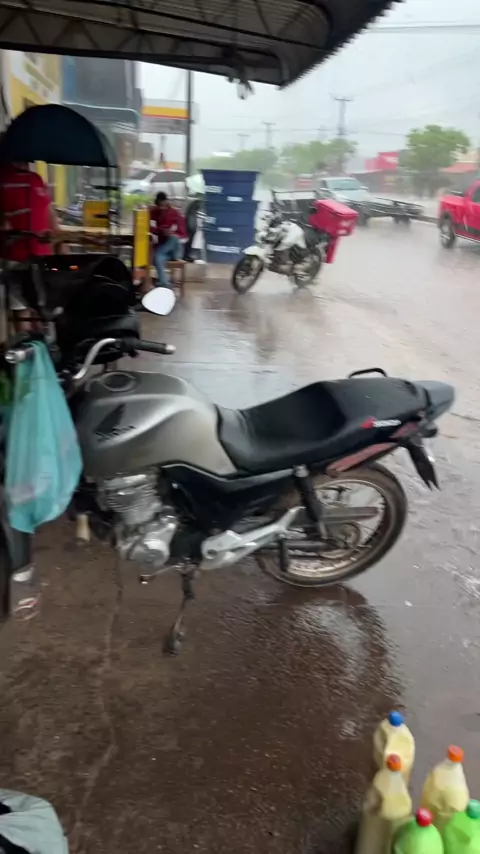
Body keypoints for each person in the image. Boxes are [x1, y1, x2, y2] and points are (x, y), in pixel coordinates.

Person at [0, 160, 62, 332]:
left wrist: (58, 239)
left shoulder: (36, 179)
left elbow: (49, 213)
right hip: (15, 257)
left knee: (42, 310)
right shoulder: (3, 179)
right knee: (21, 310)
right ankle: (25, 347)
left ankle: (40, 344)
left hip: (43, 256)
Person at [150, 191, 187, 287]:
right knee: (157, 258)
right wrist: (159, 231)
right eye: (160, 206)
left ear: (167, 202)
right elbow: (148, 227)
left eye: (163, 206)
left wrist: (171, 233)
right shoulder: (154, 212)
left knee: (174, 238)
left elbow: (183, 235)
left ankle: (163, 282)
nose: (162, 208)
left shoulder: (175, 213)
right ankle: (165, 283)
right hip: (165, 250)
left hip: (175, 250)